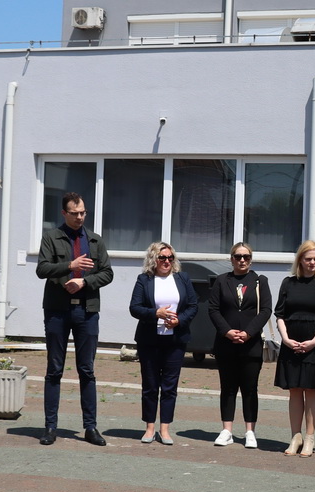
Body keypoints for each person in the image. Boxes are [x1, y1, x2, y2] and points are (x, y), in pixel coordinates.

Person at [36, 191, 113, 446]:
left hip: (86, 311)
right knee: (54, 370)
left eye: (83, 213)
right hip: (57, 311)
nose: (80, 217)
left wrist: (84, 281)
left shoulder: (95, 240)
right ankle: (50, 427)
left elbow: (107, 273)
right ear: (64, 213)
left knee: (87, 370)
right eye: (74, 213)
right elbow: (42, 269)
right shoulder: (51, 237)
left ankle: (90, 427)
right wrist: (70, 266)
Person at [128, 241, 198, 445]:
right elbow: (134, 308)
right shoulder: (145, 279)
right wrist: (155, 313)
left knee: (169, 386)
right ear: (154, 259)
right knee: (150, 385)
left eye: (170, 258)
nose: (167, 261)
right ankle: (149, 427)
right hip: (150, 340)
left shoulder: (182, 278)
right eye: (162, 258)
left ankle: (165, 429)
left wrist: (179, 321)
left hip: (175, 340)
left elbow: (193, 306)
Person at [274, 240, 315, 458]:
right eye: (308, 258)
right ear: (300, 260)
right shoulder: (288, 283)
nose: (312, 263)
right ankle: (296, 436)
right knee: (294, 390)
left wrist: (313, 341)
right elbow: (280, 314)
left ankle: (309, 437)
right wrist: (285, 339)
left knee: (311, 389)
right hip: (291, 343)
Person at [207, 242, 271, 449]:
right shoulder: (221, 281)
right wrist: (227, 331)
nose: (242, 260)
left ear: (251, 259)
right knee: (228, 388)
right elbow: (213, 309)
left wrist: (248, 332)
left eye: (246, 256)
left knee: (250, 389)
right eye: (238, 256)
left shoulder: (260, 281)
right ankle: (227, 430)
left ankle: (250, 431)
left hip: (250, 344)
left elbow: (266, 310)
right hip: (226, 344)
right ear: (231, 258)